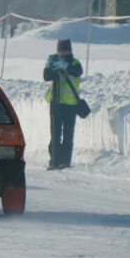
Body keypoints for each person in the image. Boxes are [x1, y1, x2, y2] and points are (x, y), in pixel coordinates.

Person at [43, 38, 83, 170]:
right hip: (55, 104)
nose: (63, 53)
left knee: (68, 135)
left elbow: (78, 71)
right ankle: (54, 161)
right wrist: (49, 66)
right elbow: (46, 76)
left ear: (70, 50)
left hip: (70, 105)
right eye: (61, 50)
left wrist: (65, 66)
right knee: (55, 134)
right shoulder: (54, 62)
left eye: (65, 50)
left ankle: (65, 162)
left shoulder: (75, 63)